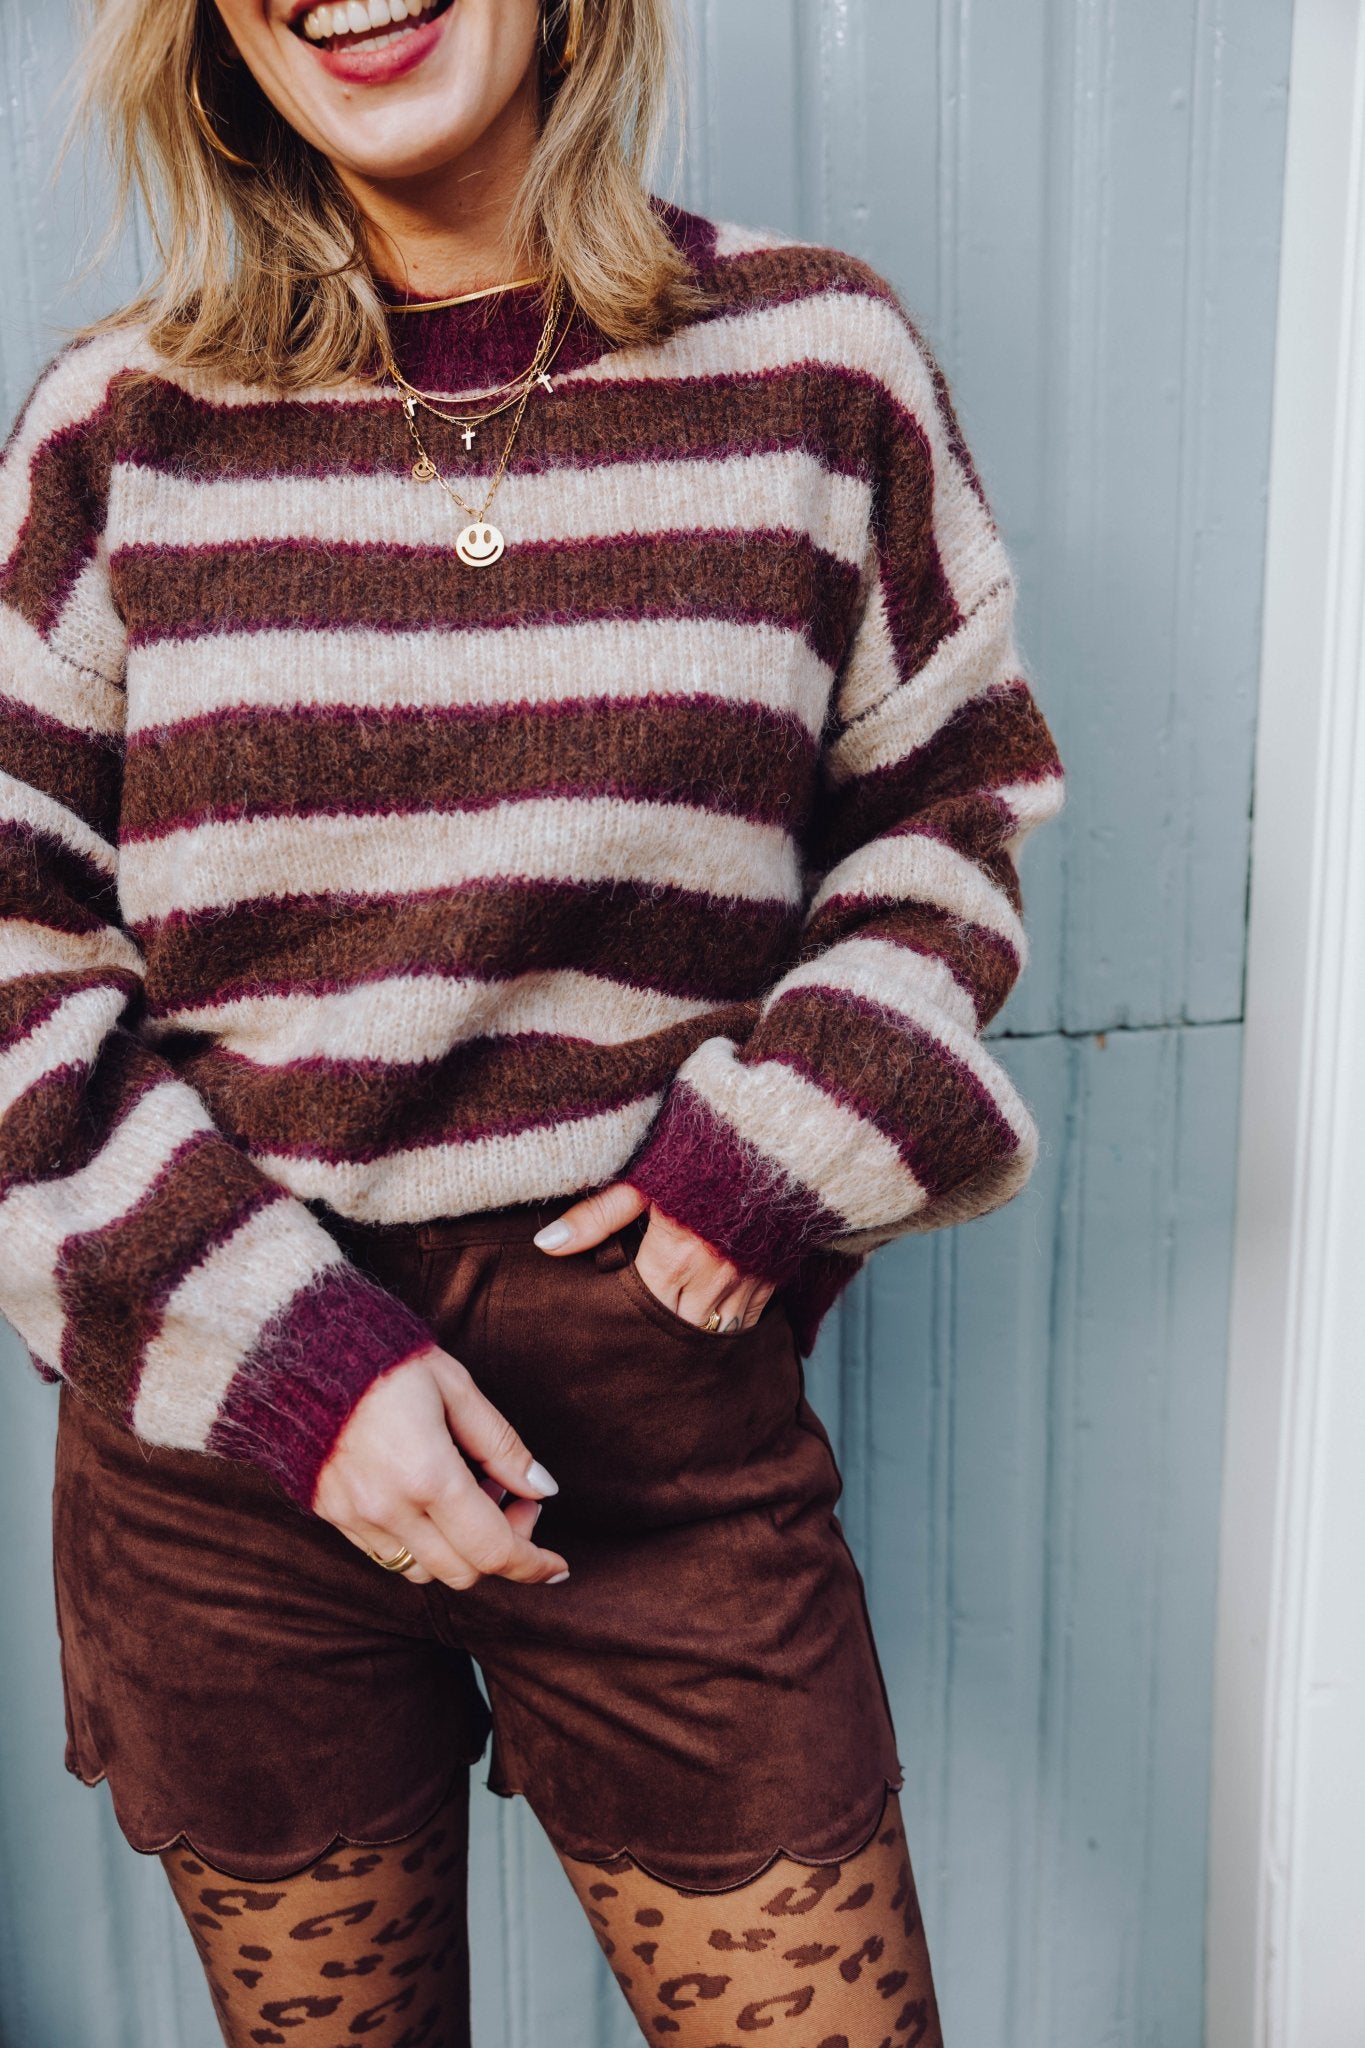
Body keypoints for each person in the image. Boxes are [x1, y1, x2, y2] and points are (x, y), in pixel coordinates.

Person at [0, 0, 1064, 2040]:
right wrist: (292, 1361)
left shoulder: (812, 365)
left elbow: (949, 812)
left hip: (657, 1416)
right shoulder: (118, 430)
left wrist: (777, 1152)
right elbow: (13, 946)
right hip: (235, 1448)